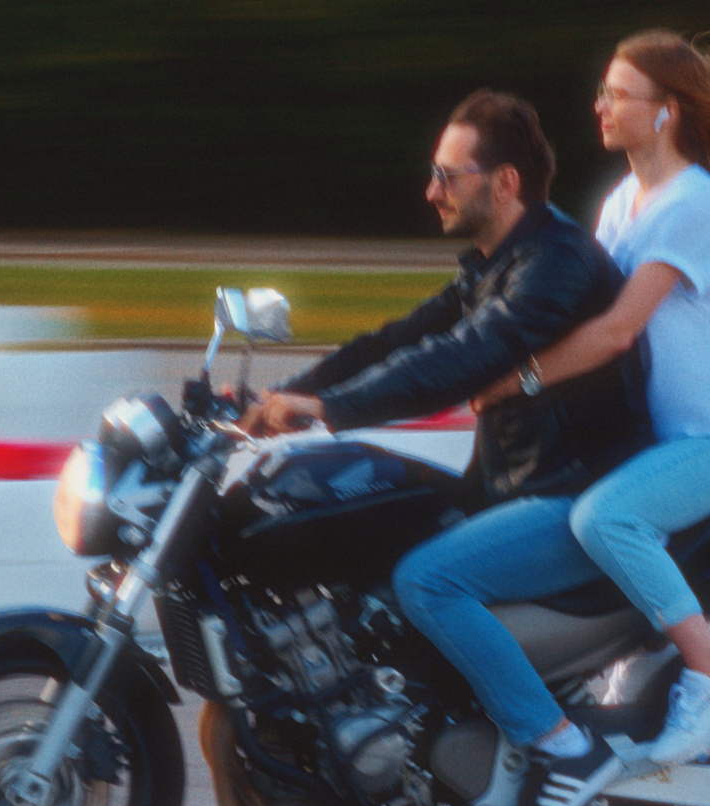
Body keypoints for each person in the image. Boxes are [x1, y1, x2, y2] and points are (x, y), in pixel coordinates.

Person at [395, 30, 710, 806]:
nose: (601, 104)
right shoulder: (626, 200)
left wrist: (514, 381)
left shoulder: (692, 202)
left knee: (604, 521)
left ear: (666, 111)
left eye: (617, 93)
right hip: (665, 440)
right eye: (604, 91)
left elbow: (615, 332)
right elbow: (567, 303)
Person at [241, 90, 647, 514]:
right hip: (514, 480)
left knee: (420, 578)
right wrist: (281, 395)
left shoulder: (556, 261)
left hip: (570, 487)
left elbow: (465, 353)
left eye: (448, 176)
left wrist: (330, 407)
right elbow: (395, 341)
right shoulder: (497, 262)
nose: (432, 191)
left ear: (506, 183)